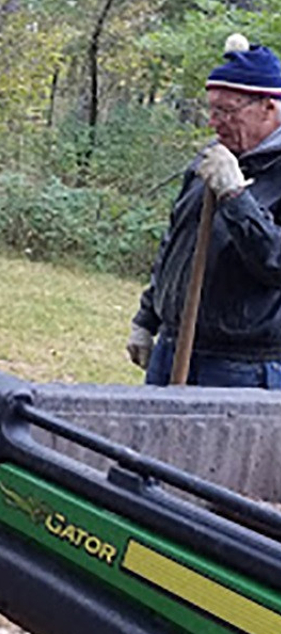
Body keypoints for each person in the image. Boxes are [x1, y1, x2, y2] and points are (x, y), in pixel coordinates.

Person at [129, 34, 281, 386]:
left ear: (269, 108)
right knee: (149, 443)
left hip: (242, 368)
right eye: (211, 109)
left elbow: (275, 262)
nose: (214, 122)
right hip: (174, 348)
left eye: (226, 110)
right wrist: (147, 318)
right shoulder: (213, 158)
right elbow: (176, 242)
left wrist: (235, 195)